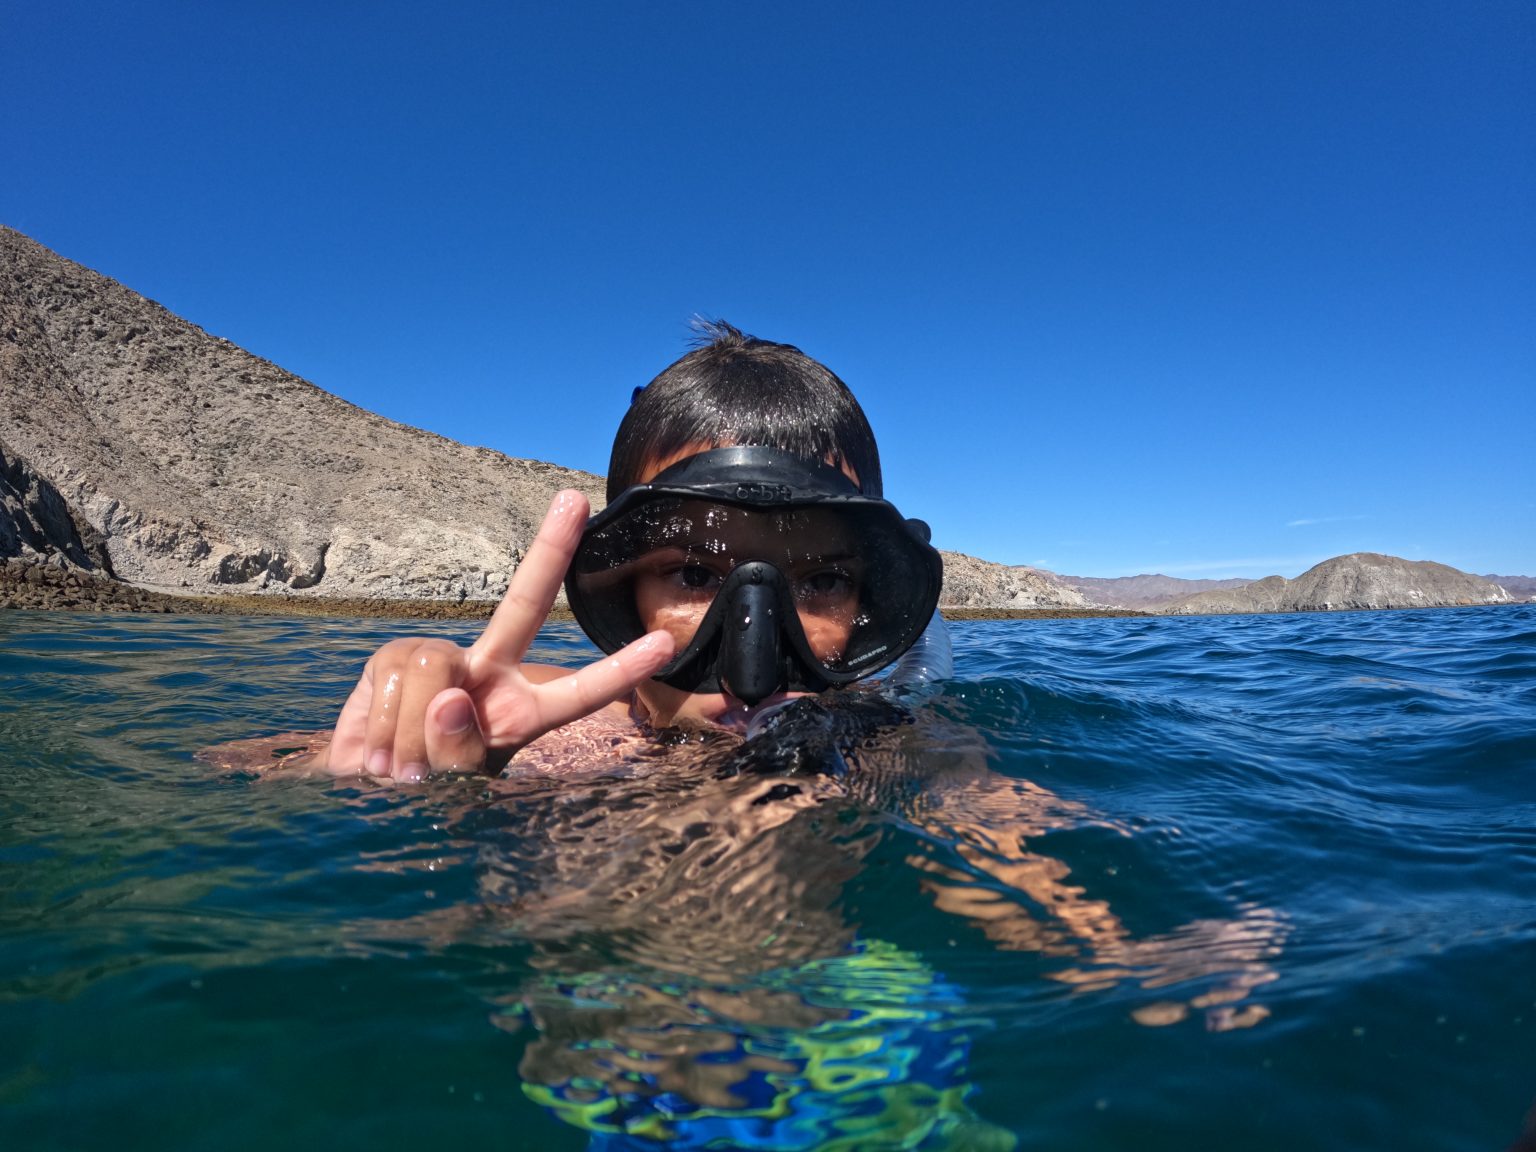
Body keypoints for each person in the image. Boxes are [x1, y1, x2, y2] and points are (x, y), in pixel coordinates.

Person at [310, 320, 944, 781]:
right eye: (694, 574)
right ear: (618, 593)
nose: (753, 670)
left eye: (824, 582)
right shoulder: (536, 724)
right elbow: (249, 773)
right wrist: (396, 748)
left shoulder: (903, 751)